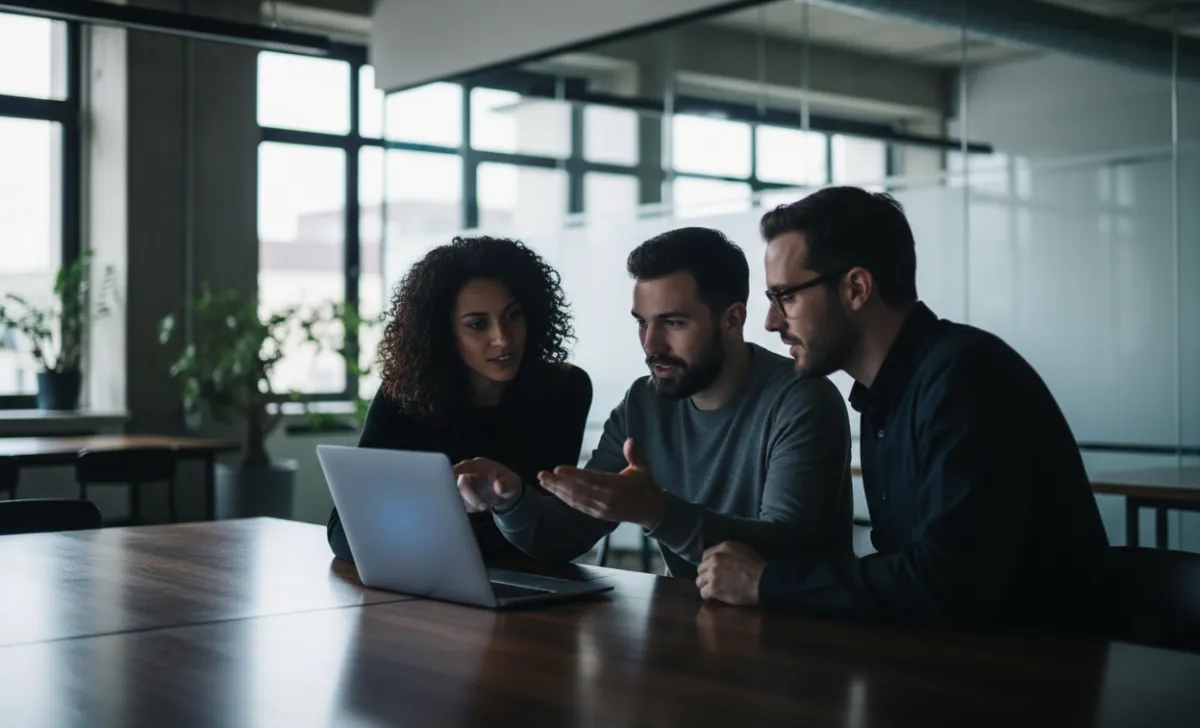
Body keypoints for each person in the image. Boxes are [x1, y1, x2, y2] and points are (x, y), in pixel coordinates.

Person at [697, 187, 1109, 632]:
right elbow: (910, 570)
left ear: (856, 288)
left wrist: (768, 582)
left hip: (1039, 680)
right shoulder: (883, 398)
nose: (772, 322)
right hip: (958, 668)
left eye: (787, 297)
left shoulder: (965, 379)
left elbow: (948, 581)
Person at [453, 227, 853, 580]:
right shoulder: (643, 402)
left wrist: (656, 512)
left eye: (673, 323)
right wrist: (511, 502)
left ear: (732, 319)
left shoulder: (802, 400)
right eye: (642, 322)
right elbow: (566, 535)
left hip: (799, 638)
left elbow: (787, 554)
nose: (651, 344)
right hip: (689, 631)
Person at [326, 236, 592, 564]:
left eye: (513, 316)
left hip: (529, 592)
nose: (503, 338)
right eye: (478, 324)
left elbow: (542, 536)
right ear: (443, 333)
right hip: (426, 594)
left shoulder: (563, 389)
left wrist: (414, 522)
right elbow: (345, 533)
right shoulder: (405, 395)